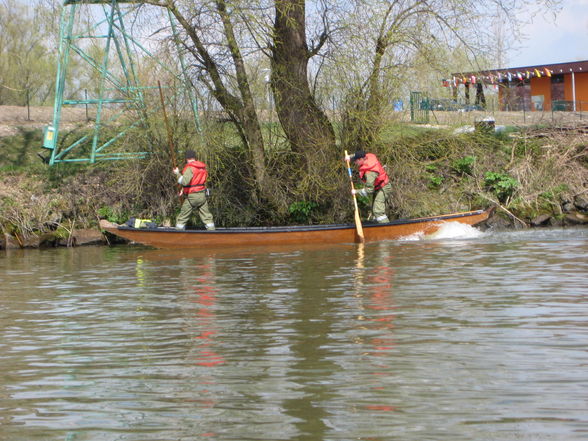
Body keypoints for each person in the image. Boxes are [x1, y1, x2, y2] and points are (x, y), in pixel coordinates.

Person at [173, 150, 215, 230]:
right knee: (207, 216)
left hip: (192, 196)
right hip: (202, 195)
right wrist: (183, 190)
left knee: (183, 215)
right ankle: (212, 231)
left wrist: (177, 173)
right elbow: (196, 181)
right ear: (194, 157)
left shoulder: (190, 168)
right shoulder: (202, 168)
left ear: (187, 158)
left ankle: (178, 232)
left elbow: (184, 182)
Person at [346, 150, 392, 223]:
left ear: (361, 159)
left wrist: (356, 191)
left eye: (356, 161)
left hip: (383, 188)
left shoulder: (370, 173)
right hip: (377, 187)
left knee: (378, 211)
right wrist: (350, 157)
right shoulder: (368, 156)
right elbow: (359, 154)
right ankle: (377, 228)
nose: (355, 162)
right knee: (374, 213)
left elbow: (369, 190)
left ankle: (388, 230)